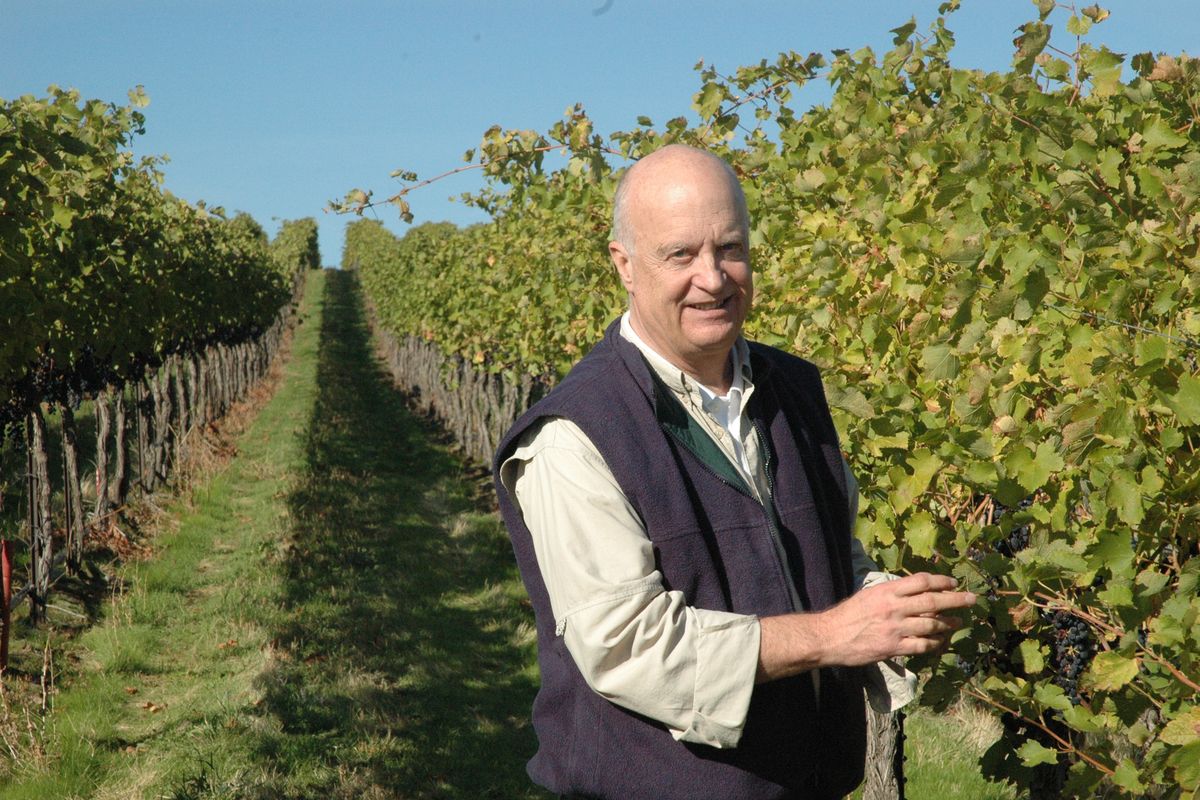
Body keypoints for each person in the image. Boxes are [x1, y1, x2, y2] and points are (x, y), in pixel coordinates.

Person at [493, 144, 976, 799]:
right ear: (624, 265)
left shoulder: (794, 391)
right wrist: (835, 635)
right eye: (680, 255)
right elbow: (632, 648)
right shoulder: (575, 435)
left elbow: (829, 559)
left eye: (730, 248)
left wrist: (901, 613)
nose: (713, 278)